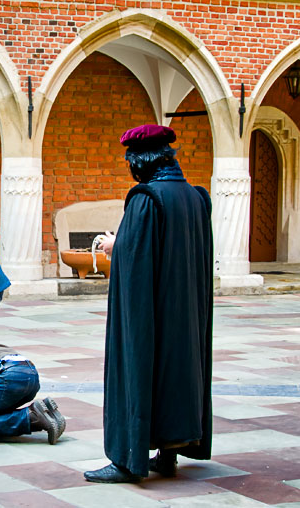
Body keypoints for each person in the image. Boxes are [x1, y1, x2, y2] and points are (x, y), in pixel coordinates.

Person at [84, 124, 213, 484]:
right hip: (185, 309)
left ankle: (128, 460)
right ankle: (168, 453)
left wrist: (115, 245)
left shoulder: (146, 198)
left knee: (138, 366)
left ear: (140, 162)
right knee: (177, 371)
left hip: (152, 309)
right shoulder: (195, 197)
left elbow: (136, 257)